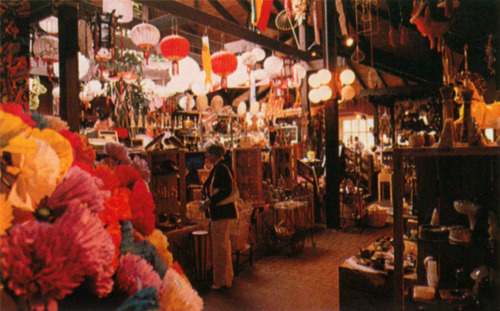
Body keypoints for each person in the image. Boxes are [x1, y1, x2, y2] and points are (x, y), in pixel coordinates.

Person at [200, 139, 237, 290]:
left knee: (220, 247)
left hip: (221, 212)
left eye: (208, 154)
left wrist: (209, 202)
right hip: (221, 212)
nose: (206, 157)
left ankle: (221, 280)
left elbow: (225, 191)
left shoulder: (221, 168)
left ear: (215, 154)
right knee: (222, 246)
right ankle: (226, 277)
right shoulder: (219, 167)